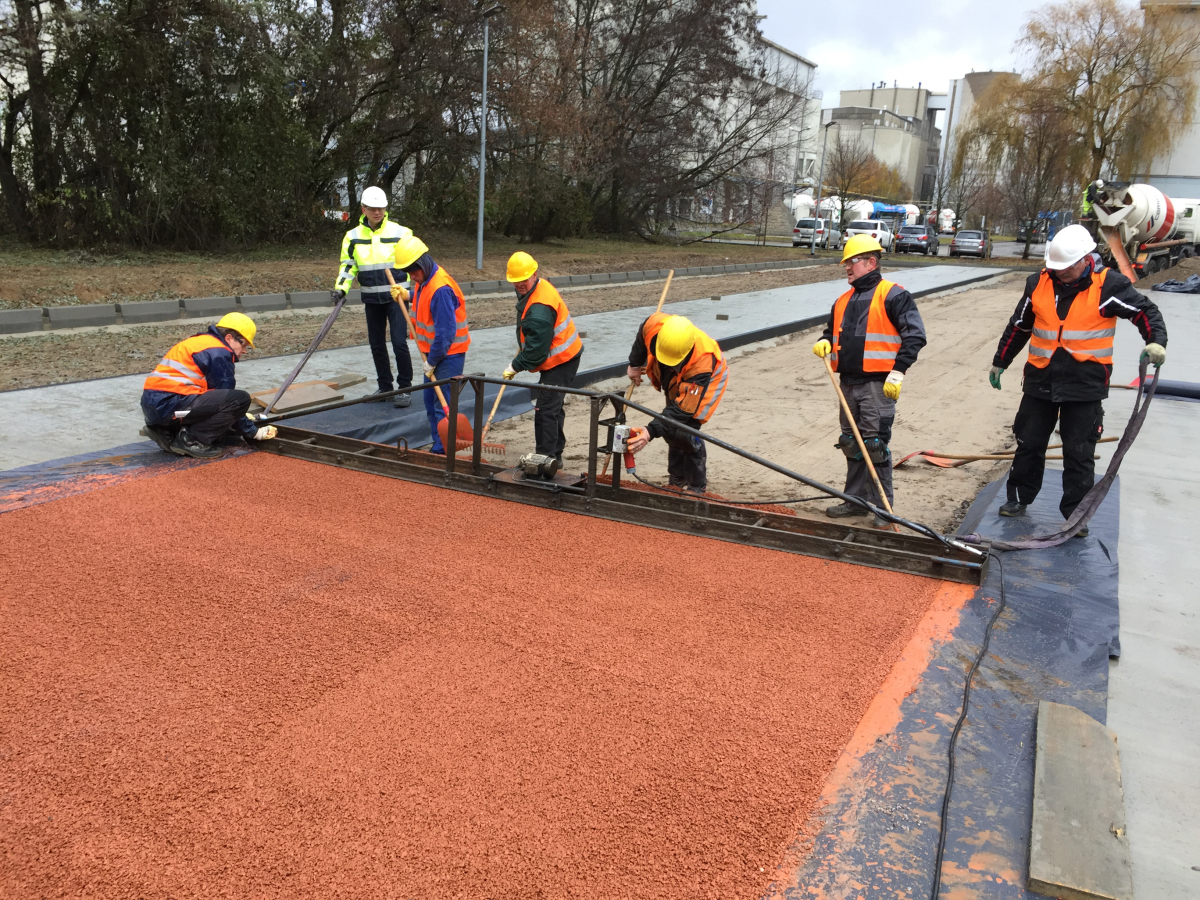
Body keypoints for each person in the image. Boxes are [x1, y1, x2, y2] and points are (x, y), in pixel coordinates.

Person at [989, 223, 1167, 535]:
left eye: (1066, 268)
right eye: (1056, 267)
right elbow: (1019, 325)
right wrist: (1000, 361)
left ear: (1086, 259)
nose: (1060, 273)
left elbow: (1144, 312)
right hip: (1040, 379)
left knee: (1079, 452)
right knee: (1028, 443)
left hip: (1085, 384)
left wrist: (1155, 342)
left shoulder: (1108, 286)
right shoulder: (1038, 283)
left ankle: (1075, 514)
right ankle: (1018, 498)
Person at [812, 234, 927, 525]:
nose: (847, 268)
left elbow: (915, 336)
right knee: (851, 443)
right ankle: (855, 502)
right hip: (848, 383)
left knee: (874, 445)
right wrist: (825, 341)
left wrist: (898, 372)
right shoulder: (841, 301)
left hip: (878, 384)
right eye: (846, 264)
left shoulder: (894, 295)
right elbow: (832, 333)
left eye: (852, 262)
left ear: (871, 262)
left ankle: (882, 509)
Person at [140, 312, 277, 459]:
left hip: (155, 406)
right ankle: (192, 440)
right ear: (229, 338)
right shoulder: (219, 352)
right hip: (170, 404)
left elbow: (211, 394)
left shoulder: (202, 342)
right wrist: (253, 431)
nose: (244, 350)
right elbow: (226, 396)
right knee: (239, 400)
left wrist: (239, 417)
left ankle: (165, 431)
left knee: (221, 401)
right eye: (243, 344)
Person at [625, 315, 728, 493]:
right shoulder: (654, 326)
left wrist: (650, 431)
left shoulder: (702, 362)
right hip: (676, 375)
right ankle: (677, 477)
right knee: (669, 428)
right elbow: (643, 334)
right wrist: (635, 363)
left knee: (685, 431)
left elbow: (683, 410)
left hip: (708, 380)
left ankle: (696, 485)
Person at [334, 185, 415, 408]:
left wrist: (412, 292)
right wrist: (341, 289)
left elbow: (414, 261)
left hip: (396, 297)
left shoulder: (401, 232)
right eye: (372, 208)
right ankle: (385, 387)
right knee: (377, 344)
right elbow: (348, 267)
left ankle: (406, 387)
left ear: (385, 208)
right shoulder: (352, 237)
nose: (377, 212)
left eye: (380, 208)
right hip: (371, 300)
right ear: (363, 209)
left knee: (399, 343)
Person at [500, 252, 584, 462]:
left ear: (535, 274)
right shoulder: (537, 288)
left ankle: (546, 460)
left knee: (545, 409)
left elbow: (536, 353)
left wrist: (515, 366)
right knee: (553, 405)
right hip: (565, 355)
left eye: (524, 280)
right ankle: (555, 454)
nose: (519, 284)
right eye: (515, 281)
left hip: (561, 360)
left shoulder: (539, 308)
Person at [393, 234, 471, 454]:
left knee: (441, 404)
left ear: (422, 262)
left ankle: (442, 450)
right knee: (431, 401)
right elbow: (422, 297)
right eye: (407, 272)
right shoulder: (425, 278)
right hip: (433, 353)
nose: (412, 276)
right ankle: (441, 443)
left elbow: (446, 334)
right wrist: (406, 295)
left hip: (448, 354)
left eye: (412, 270)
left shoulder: (441, 289)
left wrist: (432, 361)